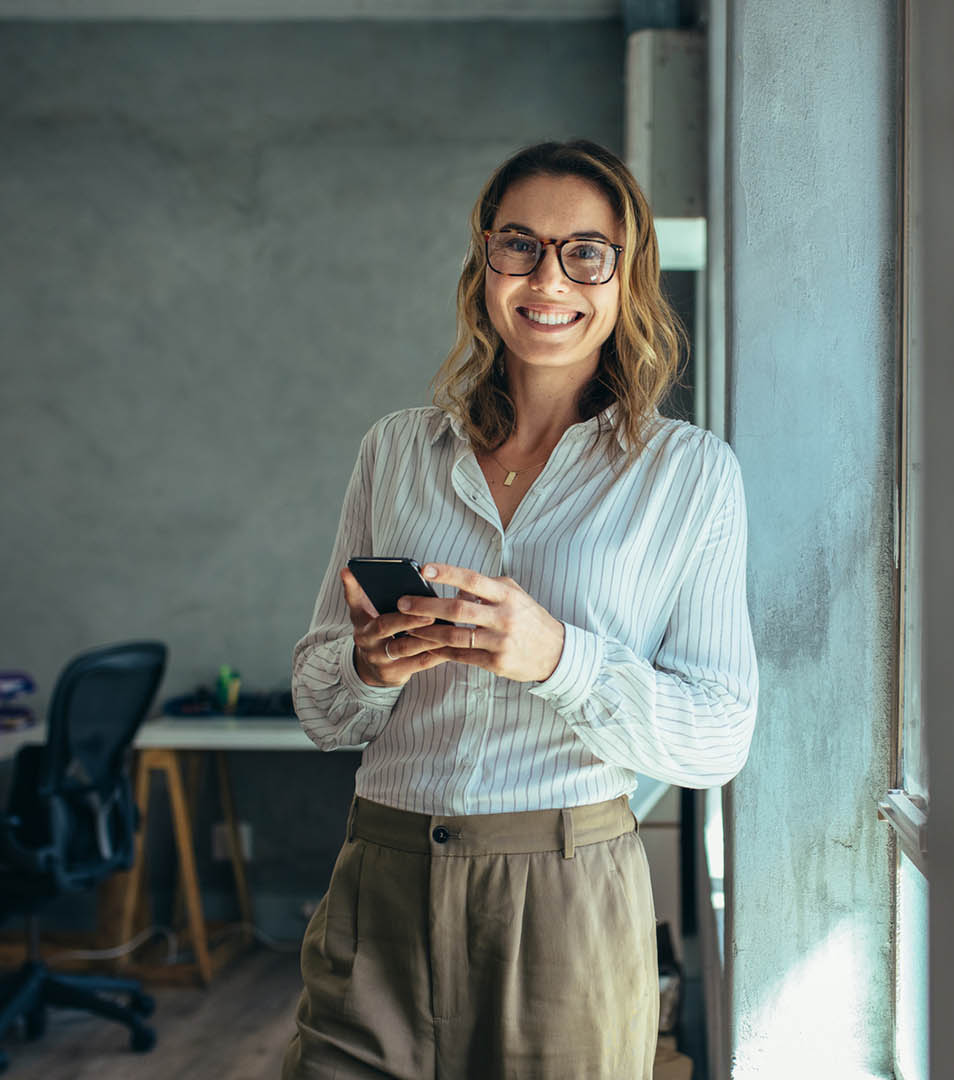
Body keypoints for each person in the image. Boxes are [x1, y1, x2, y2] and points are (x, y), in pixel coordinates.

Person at [280, 139, 758, 1080]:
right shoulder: (395, 451)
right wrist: (369, 669)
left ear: (626, 275)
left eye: (586, 250)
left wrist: (556, 658)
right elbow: (317, 703)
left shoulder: (689, 475)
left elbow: (718, 736)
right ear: (483, 264)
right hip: (379, 880)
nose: (549, 277)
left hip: (565, 902)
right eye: (520, 245)